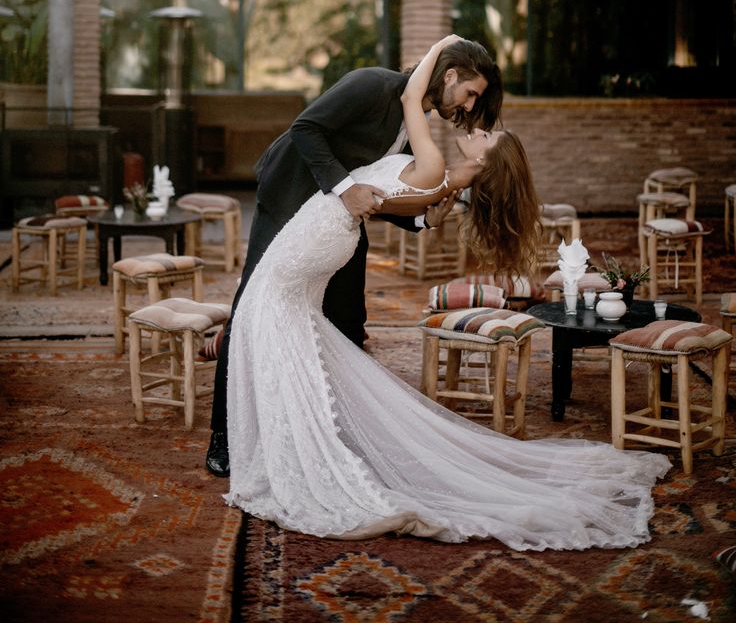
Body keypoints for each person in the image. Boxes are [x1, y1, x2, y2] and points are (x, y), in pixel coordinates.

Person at [224, 37, 670, 548]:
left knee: (269, 321)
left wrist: (445, 47)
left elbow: (409, 132)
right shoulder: (418, 146)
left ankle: (291, 451)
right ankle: (268, 441)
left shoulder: (435, 161)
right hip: (313, 221)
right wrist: (402, 202)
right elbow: (382, 188)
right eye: (473, 98)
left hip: (320, 237)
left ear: (487, 162)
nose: (475, 118)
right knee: (282, 330)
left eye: (487, 128)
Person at [206, 38, 502, 476]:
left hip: (335, 222)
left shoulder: (411, 119)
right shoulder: (371, 84)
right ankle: (223, 437)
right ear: (450, 75)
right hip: (289, 199)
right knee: (251, 307)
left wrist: (423, 221)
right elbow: (307, 128)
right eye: (470, 93)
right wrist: (345, 190)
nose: (468, 105)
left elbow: (383, 189)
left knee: (348, 320)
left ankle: (331, 428)